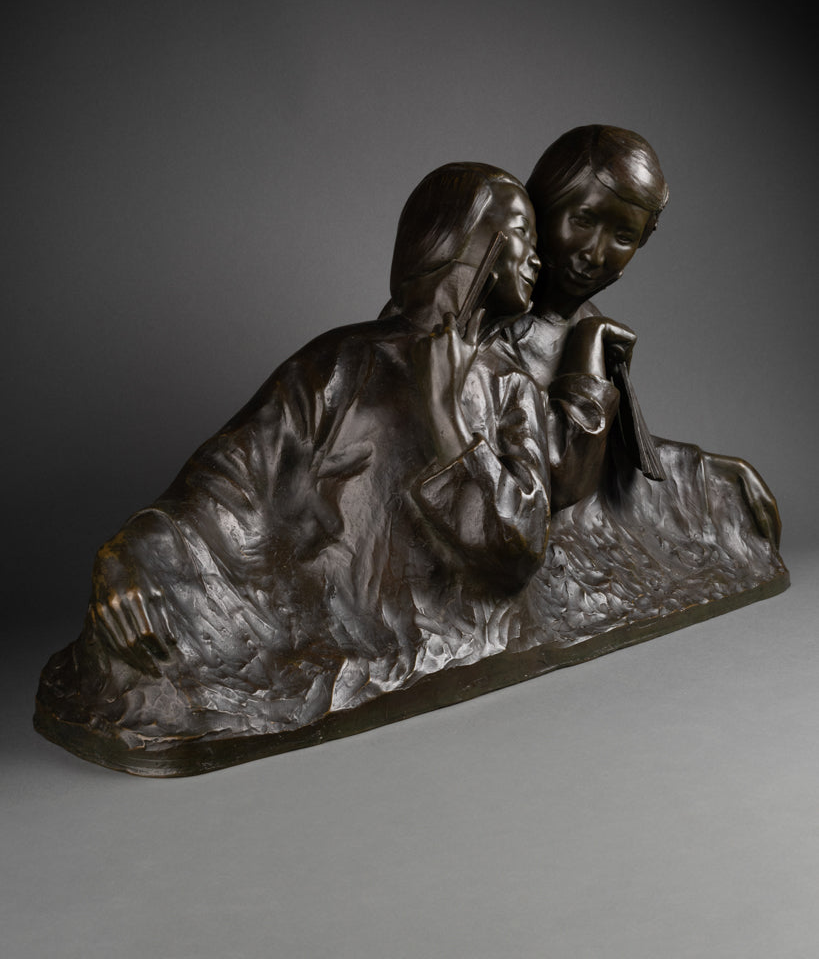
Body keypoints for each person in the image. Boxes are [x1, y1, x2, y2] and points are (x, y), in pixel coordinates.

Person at [36, 163, 552, 752]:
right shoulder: (342, 361)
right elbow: (230, 488)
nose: (538, 259)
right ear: (462, 242)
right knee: (150, 638)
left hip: (439, 631)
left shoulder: (512, 389)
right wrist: (132, 558)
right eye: (522, 235)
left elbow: (517, 554)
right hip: (305, 620)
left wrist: (445, 416)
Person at [500, 125, 786, 642]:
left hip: (592, 499)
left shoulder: (587, 316)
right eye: (583, 220)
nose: (595, 253)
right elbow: (557, 481)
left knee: (733, 489)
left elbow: (623, 460)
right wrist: (588, 347)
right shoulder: (489, 323)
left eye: (623, 236)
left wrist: (697, 472)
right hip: (520, 509)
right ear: (542, 206)